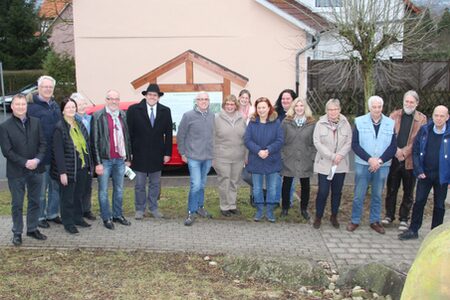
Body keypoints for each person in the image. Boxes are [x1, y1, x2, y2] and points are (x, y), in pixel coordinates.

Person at [0, 94, 47, 245]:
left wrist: (37, 160)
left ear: (27, 106)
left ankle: (32, 228)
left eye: (23, 104)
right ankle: (17, 232)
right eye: (17, 104)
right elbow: (7, 151)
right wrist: (25, 162)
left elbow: (43, 144)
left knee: (35, 201)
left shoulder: (36, 122)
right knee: (17, 204)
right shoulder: (5, 126)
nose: (21, 107)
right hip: (17, 172)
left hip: (36, 169)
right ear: (12, 106)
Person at [399, 105, 450, 240]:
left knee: (439, 205)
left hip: (442, 176)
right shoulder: (424, 130)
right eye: (436, 115)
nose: (438, 119)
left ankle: (435, 234)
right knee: (419, 202)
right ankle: (413, 230)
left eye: (442, 116)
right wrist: (418, 169)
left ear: (447, 117)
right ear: (432, 116)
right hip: (424, 174)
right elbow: (415, 151)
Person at [347, 96, 396, 234]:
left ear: (382, 107)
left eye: (379, 107)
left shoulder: (390, 123)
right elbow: (355, 144)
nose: (377, 110)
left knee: (377, 194)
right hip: (363, 164)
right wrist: (370, 159)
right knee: (359, 194)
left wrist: (379, 161)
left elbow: (392, 147)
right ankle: (355, 220)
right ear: (369, 108)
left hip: (382, 165)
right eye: (374, 107)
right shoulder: (360, 121)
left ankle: (375, 221)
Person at [382, 91, 427, 231]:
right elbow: (387, 135)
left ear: (417, 103)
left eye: (411, 102)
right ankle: (389, 215)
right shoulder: (394, 115)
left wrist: (405, 152)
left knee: (408, 190)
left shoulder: (422, 119)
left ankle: (404, 218)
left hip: (410, 161)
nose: (408, 104)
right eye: (406, 101)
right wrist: (396, 151)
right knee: (392, 189)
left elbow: (419, 140)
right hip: (394, 158)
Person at [127, 83, 173, 220]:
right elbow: (128, 133)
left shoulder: (165, 111)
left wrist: (167, 153)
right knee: (140, 184)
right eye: (150, 94)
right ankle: (140, 209)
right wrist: (129, 154)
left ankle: (153, 207)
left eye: (155, 95)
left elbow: (169, 134)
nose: (152, 97)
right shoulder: (134, 110)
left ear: (158, 97)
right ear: (146, 96)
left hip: (157, 154)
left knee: (155, 184)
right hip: (138, 153)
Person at [91, 90, 132, 230]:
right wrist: (97, 163)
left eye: (116, 99)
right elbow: (94, 141)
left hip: (120, 159)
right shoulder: (98, 116)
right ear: (106, 100)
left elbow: (127, 138)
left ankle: (117, 215)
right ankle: (106, 217)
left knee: (119, 190)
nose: (114, 101)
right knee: (103, 191)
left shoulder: (123, 115)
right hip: (105, 160)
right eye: (111, 98)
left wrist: (128, 157)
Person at [51, 98, 92, 234]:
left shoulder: (79, 124)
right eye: (68, 107)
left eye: (73, 107)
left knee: (78, 195)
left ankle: (78, 218)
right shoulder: (59, 127)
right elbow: (58, 153)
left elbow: (87, 145)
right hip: (68, 169)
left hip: (81, 167)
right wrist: (62, 172)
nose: (71, 110)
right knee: (67, 198)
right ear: (63, 110)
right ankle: (68, 223)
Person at [27, 75, 62, 228]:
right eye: (45, 87)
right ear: (39, 88)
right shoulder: (32, 108)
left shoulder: (54, 106)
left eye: (50, 87)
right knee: (41, 190)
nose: (48, 89)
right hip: (40, 156)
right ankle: (39, 217)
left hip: (56, 156)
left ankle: (52, 213)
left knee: (56, 187)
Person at [312, 99, 352, 229]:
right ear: (326, 111)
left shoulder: (346, 123)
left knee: (337, 192)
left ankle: (334, 216)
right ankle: (318, 216)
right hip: (325, 163)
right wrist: (332, 156)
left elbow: (349, 142)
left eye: (335, 109)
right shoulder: (320, 124)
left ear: (339, 110)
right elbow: (317, 142)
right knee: (323, 191)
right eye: (330, 109)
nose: (332, 112)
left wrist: (340, 155)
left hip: (340, 164)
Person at [177, 91, 215, 226]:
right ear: (196, 101)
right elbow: (181, 135)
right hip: (193, 157)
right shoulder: (188, 116)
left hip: (208, 156)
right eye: (201, 99)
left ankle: (200, 208)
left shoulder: (212, 116)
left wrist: (214, 154)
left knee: (202, 184)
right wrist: (182, 153)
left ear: (209, 101)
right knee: (196, 185)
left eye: (206, 99)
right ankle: (191, 212)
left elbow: (214, 136)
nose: (203, 101)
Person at [245, 97, 284, 222]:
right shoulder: (252, 122)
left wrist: (268, 150)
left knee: (272, 187)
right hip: (256, 159)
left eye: (264, 107)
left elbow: (280, 140)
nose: (261, 110)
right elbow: (247, 140)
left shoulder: (276, 122)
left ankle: (270, 211)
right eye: (259, 107)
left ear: (269, 108)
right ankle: (260, 210)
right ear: (256, 109)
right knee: (257, 188)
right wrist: (258, 151)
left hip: (272, 159)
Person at [280, 98, 316, 219]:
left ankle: (304, 209)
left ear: (305, 108)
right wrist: (283, 155)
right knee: (287, 183)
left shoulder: (311, 123)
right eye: (297, 106)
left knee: (305, 185)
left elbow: (315, 142)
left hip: (305, 158)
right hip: (289, 158)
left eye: (301, 106)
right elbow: (280, 140)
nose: (299, 108)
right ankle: (285, 208)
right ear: (293, 108)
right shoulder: (286, 122)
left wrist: (312, 156)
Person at [213, 94, 247, 216]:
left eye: (232, 104)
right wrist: (213, 157)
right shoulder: (216, 118)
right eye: (227, 104)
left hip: (238, 156)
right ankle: (224, 206)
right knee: (224, 181)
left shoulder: (242, 119)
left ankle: (232, 205)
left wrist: (246, 156)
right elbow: (212, 138)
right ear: (224, 105)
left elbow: (245, 138)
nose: (230, 106)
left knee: (234, 182)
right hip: (222, 157)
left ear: (236, 105)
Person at [71, 92, 96, 221]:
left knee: (88, 186)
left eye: (83, 104)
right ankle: (78, 212)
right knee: (78, 188)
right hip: (78, 159)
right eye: (79, 104)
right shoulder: (72, 121)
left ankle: (87, 210)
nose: (82, 106)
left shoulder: (90, 119)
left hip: (90, 158)